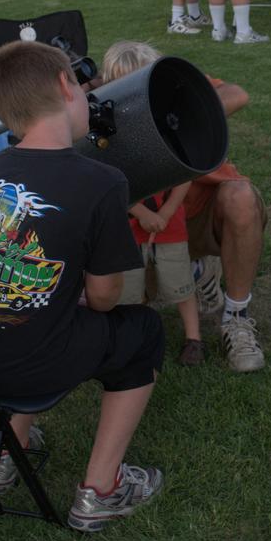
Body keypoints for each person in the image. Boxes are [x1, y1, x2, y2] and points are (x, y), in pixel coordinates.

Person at [0, 39, 164, 530]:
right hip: (22, 368)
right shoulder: (102, 181)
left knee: (31, 310)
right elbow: (105, 299)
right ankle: (101, 491)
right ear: (67, 86)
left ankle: (6, 453)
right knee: (142, 332)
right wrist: (81, 295)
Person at [102, 42, 205, 367]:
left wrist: (166, 212)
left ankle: (194, 339)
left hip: (168, 224)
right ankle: (134, 339)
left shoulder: (166, 121)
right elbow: (102, 174)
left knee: (180, 283)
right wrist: (141, 211)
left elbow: (187, 169)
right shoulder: (101, 127)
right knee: (128, 291)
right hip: (127, 228)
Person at [184, 75, 267, 372]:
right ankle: (197, 271)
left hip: (201, 209)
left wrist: (172, 113)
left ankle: (237, 318)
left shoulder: (160, 75)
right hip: (145, 220)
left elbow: (237, 95)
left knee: (240, 198)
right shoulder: (96, 91)